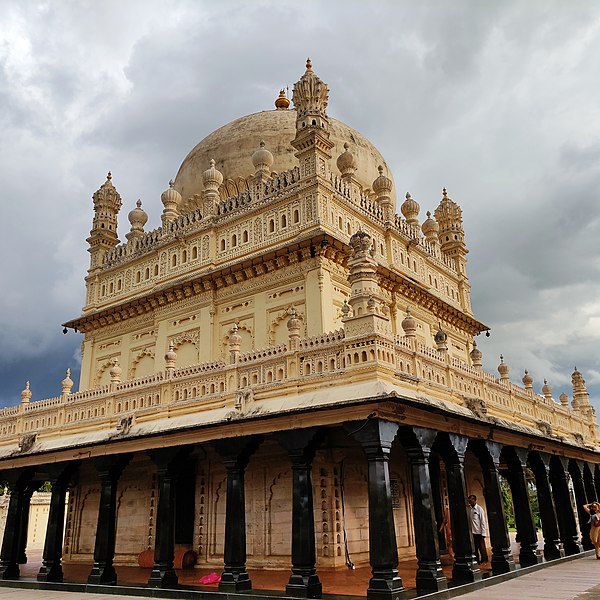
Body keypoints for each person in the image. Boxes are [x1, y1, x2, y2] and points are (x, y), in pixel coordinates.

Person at [468, 494, 488, 564]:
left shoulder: (480, 509)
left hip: (479, 531)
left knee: (481, 547)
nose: (470, 502)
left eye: (471, 501)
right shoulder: (470, 509)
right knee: (475, 547)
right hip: (473, 532)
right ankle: (477, 560)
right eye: (469, 501)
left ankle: (484, 559)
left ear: (475, 500)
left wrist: (483, 533)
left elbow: (482, 521)